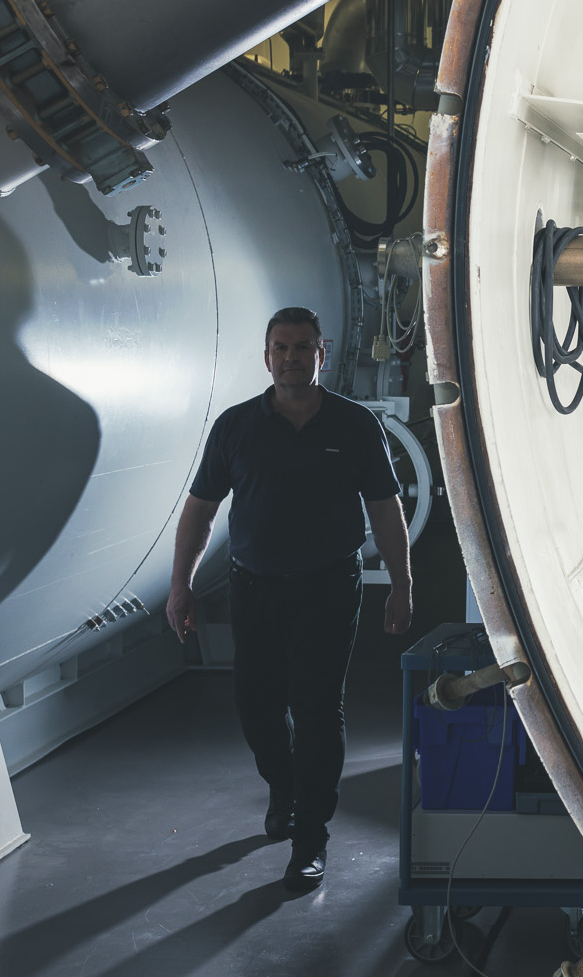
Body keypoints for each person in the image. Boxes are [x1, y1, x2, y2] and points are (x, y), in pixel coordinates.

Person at [167, 306, 415, 889]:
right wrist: (181, 584)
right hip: (254, 588)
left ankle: (310, 836)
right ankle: (284, 784)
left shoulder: (355, 426)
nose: (290, 358)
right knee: (256, 708)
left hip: (329, 588)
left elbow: (385, 509)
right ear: (266, 356)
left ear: (321, 354)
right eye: (280, 348)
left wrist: (402, 587)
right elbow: (200, 512)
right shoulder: (235, 427)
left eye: (302, 348)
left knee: (317, 711)